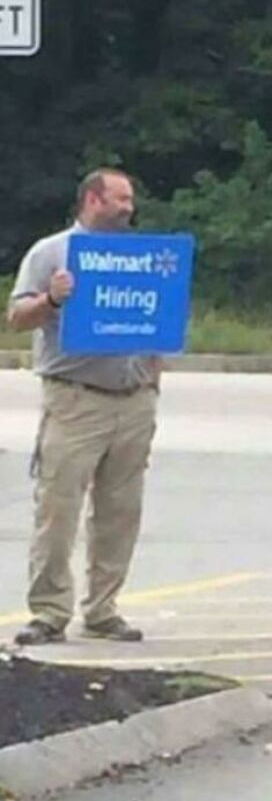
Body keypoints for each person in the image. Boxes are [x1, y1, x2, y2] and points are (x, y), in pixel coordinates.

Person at [7, 168, 162, 646]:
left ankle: (103, 609)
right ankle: (50, 611)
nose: (128, 207)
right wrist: (52, 299)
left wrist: (153, 377)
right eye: (120, 198)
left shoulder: (146, 257)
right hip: (76, 398)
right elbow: (15, 317)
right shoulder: (52, 251)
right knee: (59, 508)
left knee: (121, 511)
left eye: (130, 199)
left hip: (133, 401)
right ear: (93, 199)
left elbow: (159, 317)